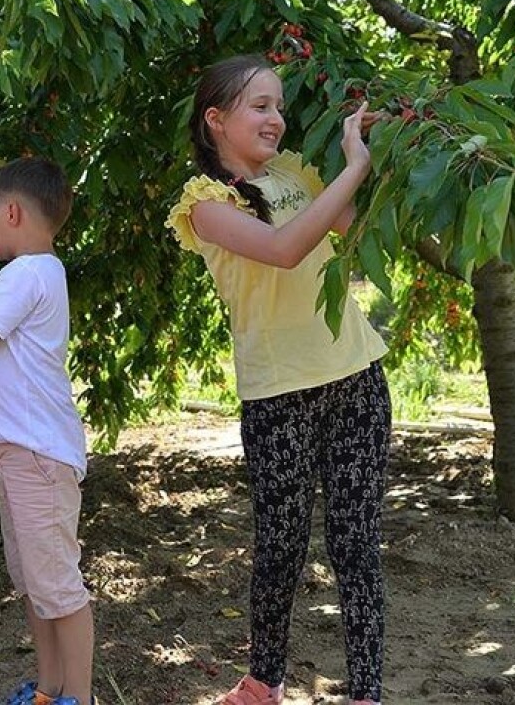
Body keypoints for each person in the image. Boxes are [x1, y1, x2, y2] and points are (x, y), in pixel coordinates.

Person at [166, 54, 390, 705]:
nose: (276, 118)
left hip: (354, 376)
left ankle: (367, 693)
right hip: (275, 394)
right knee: (281, 545)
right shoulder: (204, 203)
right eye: (259, 106)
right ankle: (264, 681)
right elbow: (284, 249)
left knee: (356, 546)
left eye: (280, 106)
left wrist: (385, 146)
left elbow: (355, 232)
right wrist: (353, 168)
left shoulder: (299, 171)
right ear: (217, 118)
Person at [0, 157, 94, 705]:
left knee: (58, 585)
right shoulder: (32, 275)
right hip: (20, 454)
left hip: (36, 456)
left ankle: (77, 698)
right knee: (36, 583)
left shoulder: (30, 273)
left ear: (10, 211)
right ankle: (50, 688)